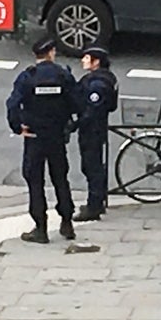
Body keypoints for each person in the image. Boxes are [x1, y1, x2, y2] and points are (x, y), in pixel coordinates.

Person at [6, 37, 80, 244]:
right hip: (56, 136)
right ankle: (67, 222)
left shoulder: (27, 77)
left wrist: (18, 127)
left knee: (35, 181)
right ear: (51, 53)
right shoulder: (63, 75)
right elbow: (77, 104)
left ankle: (41, 227)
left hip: (35, 136)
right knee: (60, 178)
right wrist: (69, 124)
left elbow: (12, 104)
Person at [73, 47, 119, 222]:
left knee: (92, 166)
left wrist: (76, 123)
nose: (83, 61)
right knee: (93, 165)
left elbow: (92, 110)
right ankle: (96, 201)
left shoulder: (97, 84)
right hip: (96, 127)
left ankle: (94, 206)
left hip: (92, 129)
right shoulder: (105, 78)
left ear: (96, 61)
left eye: (86, 58)